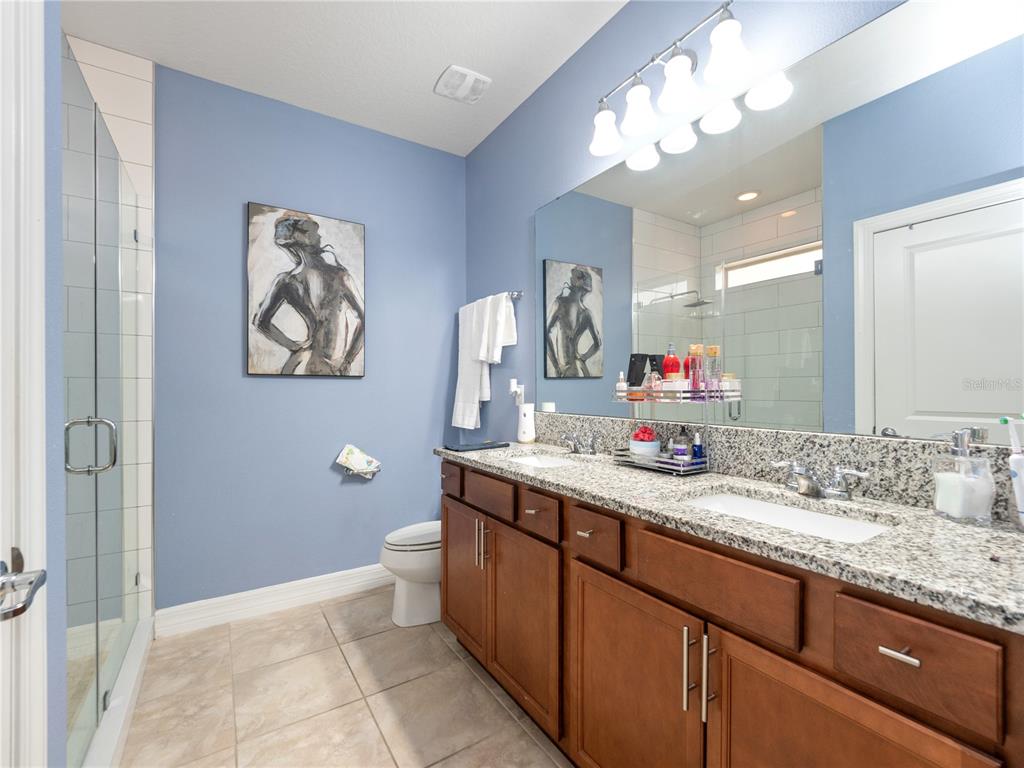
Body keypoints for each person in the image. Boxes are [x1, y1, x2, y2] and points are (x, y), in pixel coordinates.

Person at [253, 210, 364, 375]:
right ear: (302, 238)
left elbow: (261, 321)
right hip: (328, 365)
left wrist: (294, 347)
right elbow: (364, 319)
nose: (320, 236)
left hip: (301, 363)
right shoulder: (339, 276)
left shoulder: (286, 280)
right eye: (314, 232)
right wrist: (348, 360)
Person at [545, 265, 601, 377]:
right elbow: (597, 343)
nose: (570, 279)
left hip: (566, 369)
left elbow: (544, 334)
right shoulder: (587, 313)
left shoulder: (559, 303)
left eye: (574, 277)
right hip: (579, 368)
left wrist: (557, 366)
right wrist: (583, 358)